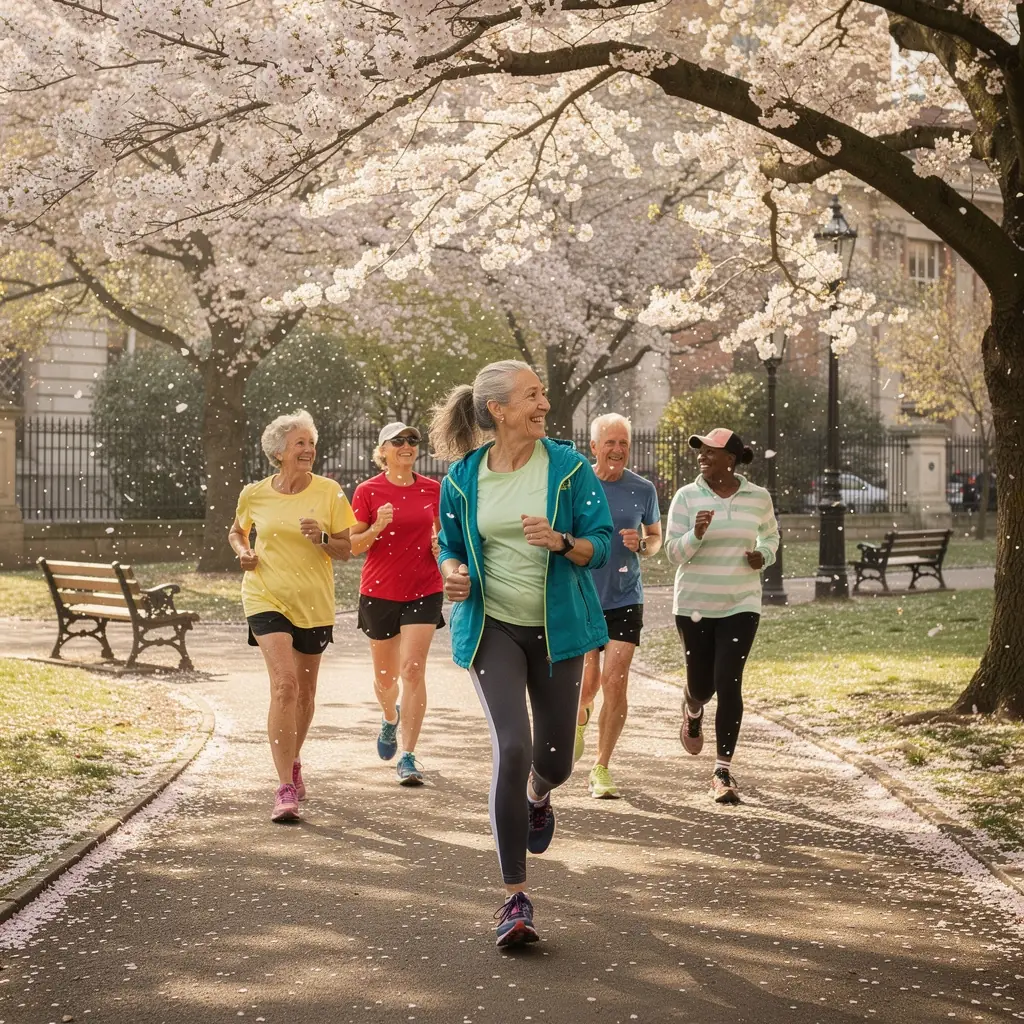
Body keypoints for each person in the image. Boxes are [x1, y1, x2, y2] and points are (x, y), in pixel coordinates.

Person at [432, 359, 613, 948]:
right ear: (498, 410)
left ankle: (541, 795)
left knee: (554, 761)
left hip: (558, 630)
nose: (543, 405)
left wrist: (561, 541)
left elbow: (603, 547)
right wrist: (453, 573)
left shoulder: (567, 468)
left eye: (542, 395)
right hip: (493, 629)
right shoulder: (463, 478)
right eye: (532, 396)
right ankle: (514, 897)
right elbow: (450, 545)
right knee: (512, 745)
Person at [228, 410, 356, 823]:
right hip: (265, 595)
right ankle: (284, 785)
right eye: (299, 443)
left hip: (313, 603)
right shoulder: (254, 493)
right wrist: (243, 552)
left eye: (310, 443)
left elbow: (346, 548)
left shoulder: (330, 491)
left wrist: (320, 537)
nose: (308, 450)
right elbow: (236, 530)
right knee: (284, 686)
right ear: (279, 451)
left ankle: (294, 756)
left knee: (305, 693)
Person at [664, 427, 779, 805]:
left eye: (711, 451)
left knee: (729, 683)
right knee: (703, 686)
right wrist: (696, 534)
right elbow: (673, 554)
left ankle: (722, 771)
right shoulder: (686, 497)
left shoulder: (758, 498)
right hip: (694, 604)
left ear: (730, 459)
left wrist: (764, 555)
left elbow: (770, 536)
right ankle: (692, 706)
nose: (702, 456)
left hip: (741, 603)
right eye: (701, 450)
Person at [349, 422, 444, 786]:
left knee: (413, 669)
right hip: (379, 591)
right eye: (398, 441)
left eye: (412, 441)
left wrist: (441, 548)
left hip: (424, 588)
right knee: (386, 678)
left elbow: (445, 536)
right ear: (383, 450)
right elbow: (355, 545)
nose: (407, 445)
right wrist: (377, 527)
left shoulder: (431, 489)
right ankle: (390, 716)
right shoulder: (367, 491)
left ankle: (408, 755)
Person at [573, 413, 662, 799]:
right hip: (584, 595)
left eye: (623, 443)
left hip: (626, 596)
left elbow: (655, 538)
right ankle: (579, 718)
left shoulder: (642, 489)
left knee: (615, 681)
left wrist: (641, 545)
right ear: (593, 447)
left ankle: (601, 766)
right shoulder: (576, 486)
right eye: (609, 442)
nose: (617, 450)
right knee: (587, 685)